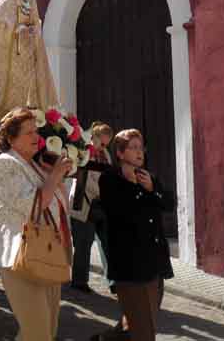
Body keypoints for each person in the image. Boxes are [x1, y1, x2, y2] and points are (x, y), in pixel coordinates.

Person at [0, 107, 72, 341]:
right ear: (10, 138)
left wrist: (56, 178)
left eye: (36, 131)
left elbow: (61, 208)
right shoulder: (4, 164)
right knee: (38, 333)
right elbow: (32, 207)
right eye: (29, 133)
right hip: (18, 255)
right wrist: (55, 176)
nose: (37, 137)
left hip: (48, 251)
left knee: (46, 332)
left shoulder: (36, 166)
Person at [99, 129, 174, 341]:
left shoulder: (149, 177)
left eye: (141, 147)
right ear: (121, 153)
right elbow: (119, 212)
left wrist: (151, 189)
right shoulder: (110, 179)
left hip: (155, 265)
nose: (139, 152)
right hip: (130, 268)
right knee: (144, 331)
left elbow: (168, 204)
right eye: (133, 147)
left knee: (137, 324)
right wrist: (133, 187)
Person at [70, 121, 114, 293]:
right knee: (83, 242)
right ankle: (79, 281)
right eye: (101, 142)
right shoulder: (83, 151)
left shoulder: (105, 154)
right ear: (94, 137)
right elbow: (84, 177)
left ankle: (113, 280)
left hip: (101, 204)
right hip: (83, 203)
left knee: (107, 242)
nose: (103, 146)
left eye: (106, 144)